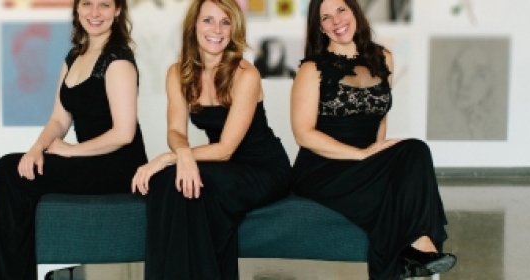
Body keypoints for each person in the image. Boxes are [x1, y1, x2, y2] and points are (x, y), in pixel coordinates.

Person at [0, 0, 147, 278]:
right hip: (88, 160)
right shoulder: (74, 57)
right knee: (9, 173)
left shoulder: (118, 61)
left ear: (118, 11)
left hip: (119, 167)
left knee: (8, 174)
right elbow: (59, 119)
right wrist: (36, 149)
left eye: (104, 5)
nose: (94, 13)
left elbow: (124, 133)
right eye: (87, 4)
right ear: (77, 9)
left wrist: (71, 151)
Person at [289, 0, 456, 278]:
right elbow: (303, 134)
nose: (337, 21)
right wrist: (362, 155)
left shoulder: (383, 58)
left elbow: (380, 115)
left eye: (341, 10)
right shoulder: (312, 69)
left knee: (414, 151)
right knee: (410, 159)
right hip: (324, 168)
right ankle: (419, 245)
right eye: (326, 17)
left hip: (364, 161)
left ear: (354, 11)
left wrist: (377, 155)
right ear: (320, 27)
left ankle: (416, 249)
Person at [131, 0, 291, 278]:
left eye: (225, 22)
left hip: (263, 169)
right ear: (194, 25)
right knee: (166, 183)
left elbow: (226, 149)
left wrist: (172, 157)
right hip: (220, 167)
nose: (216, 29)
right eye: (208, 20)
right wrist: (183, 154)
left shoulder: (245, 74)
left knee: (189, 186)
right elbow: (176, 132)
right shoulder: (178, 73)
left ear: (233, 30)